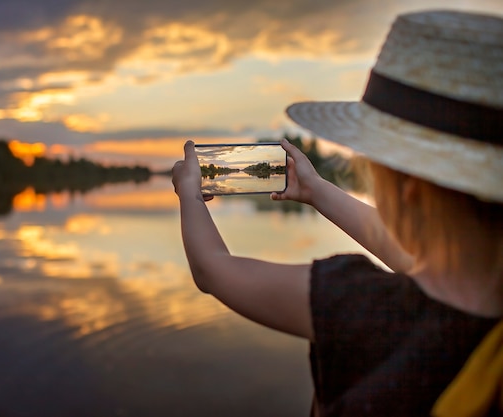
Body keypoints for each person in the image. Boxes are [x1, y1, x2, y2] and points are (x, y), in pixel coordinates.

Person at [172, 9, 503, 417]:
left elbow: (212, 269)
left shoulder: (360, 305)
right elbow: (406, 253)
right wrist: (316, 191)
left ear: (409, 190)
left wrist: (190, 193)